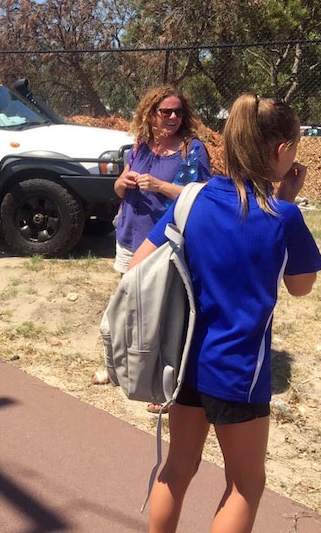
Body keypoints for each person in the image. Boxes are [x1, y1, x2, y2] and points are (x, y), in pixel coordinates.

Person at [139, 93, 321, 533]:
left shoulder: (191, 200)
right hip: (240, 372)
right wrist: (287, 200)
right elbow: (301, 287)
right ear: (281, 152)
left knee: (179, 466)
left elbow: (138, 265)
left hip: (183, 362)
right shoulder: (282, 217)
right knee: (245, 485)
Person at [92, 85, 211, 415]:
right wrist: (123, 183)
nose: (173, 117)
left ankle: (164, 383)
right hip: (131, 237)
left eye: (178, 112)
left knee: (161, 315)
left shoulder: (191, 150)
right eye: (165, 112)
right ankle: (120, 367)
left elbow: (198, 197)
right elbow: (118, 188)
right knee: (127, 307)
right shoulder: (141, 146)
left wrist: (159, 186)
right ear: (150, 114)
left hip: (165, 244)